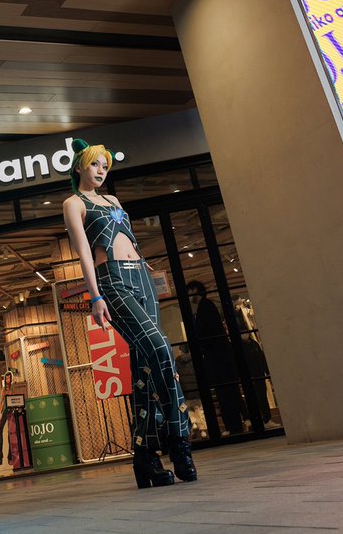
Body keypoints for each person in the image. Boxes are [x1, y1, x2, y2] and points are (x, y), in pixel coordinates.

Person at [62, 139, 195, 488]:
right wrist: (95, 296)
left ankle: (145, 455)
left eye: (105, 165)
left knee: (145, 367)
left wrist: (147, 273)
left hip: (142, 279)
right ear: (79, 167)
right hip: (112, 280)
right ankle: (179, 438)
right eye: (94, 164)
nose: (101, 170)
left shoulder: (114, 201)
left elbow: (130, 240)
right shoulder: (74, 203)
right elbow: (84, 253)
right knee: (161, 349)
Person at [187, 280, 246, 435]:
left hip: (217, 358)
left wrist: (203, 346)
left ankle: (233, 425)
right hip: (220, 357)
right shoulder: (207, 306)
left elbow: (209, 332)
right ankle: (237, 423)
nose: (189, 296)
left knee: (225, 392)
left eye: (189, 292)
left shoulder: (205, 307)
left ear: (195, 290)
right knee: (228, 391)